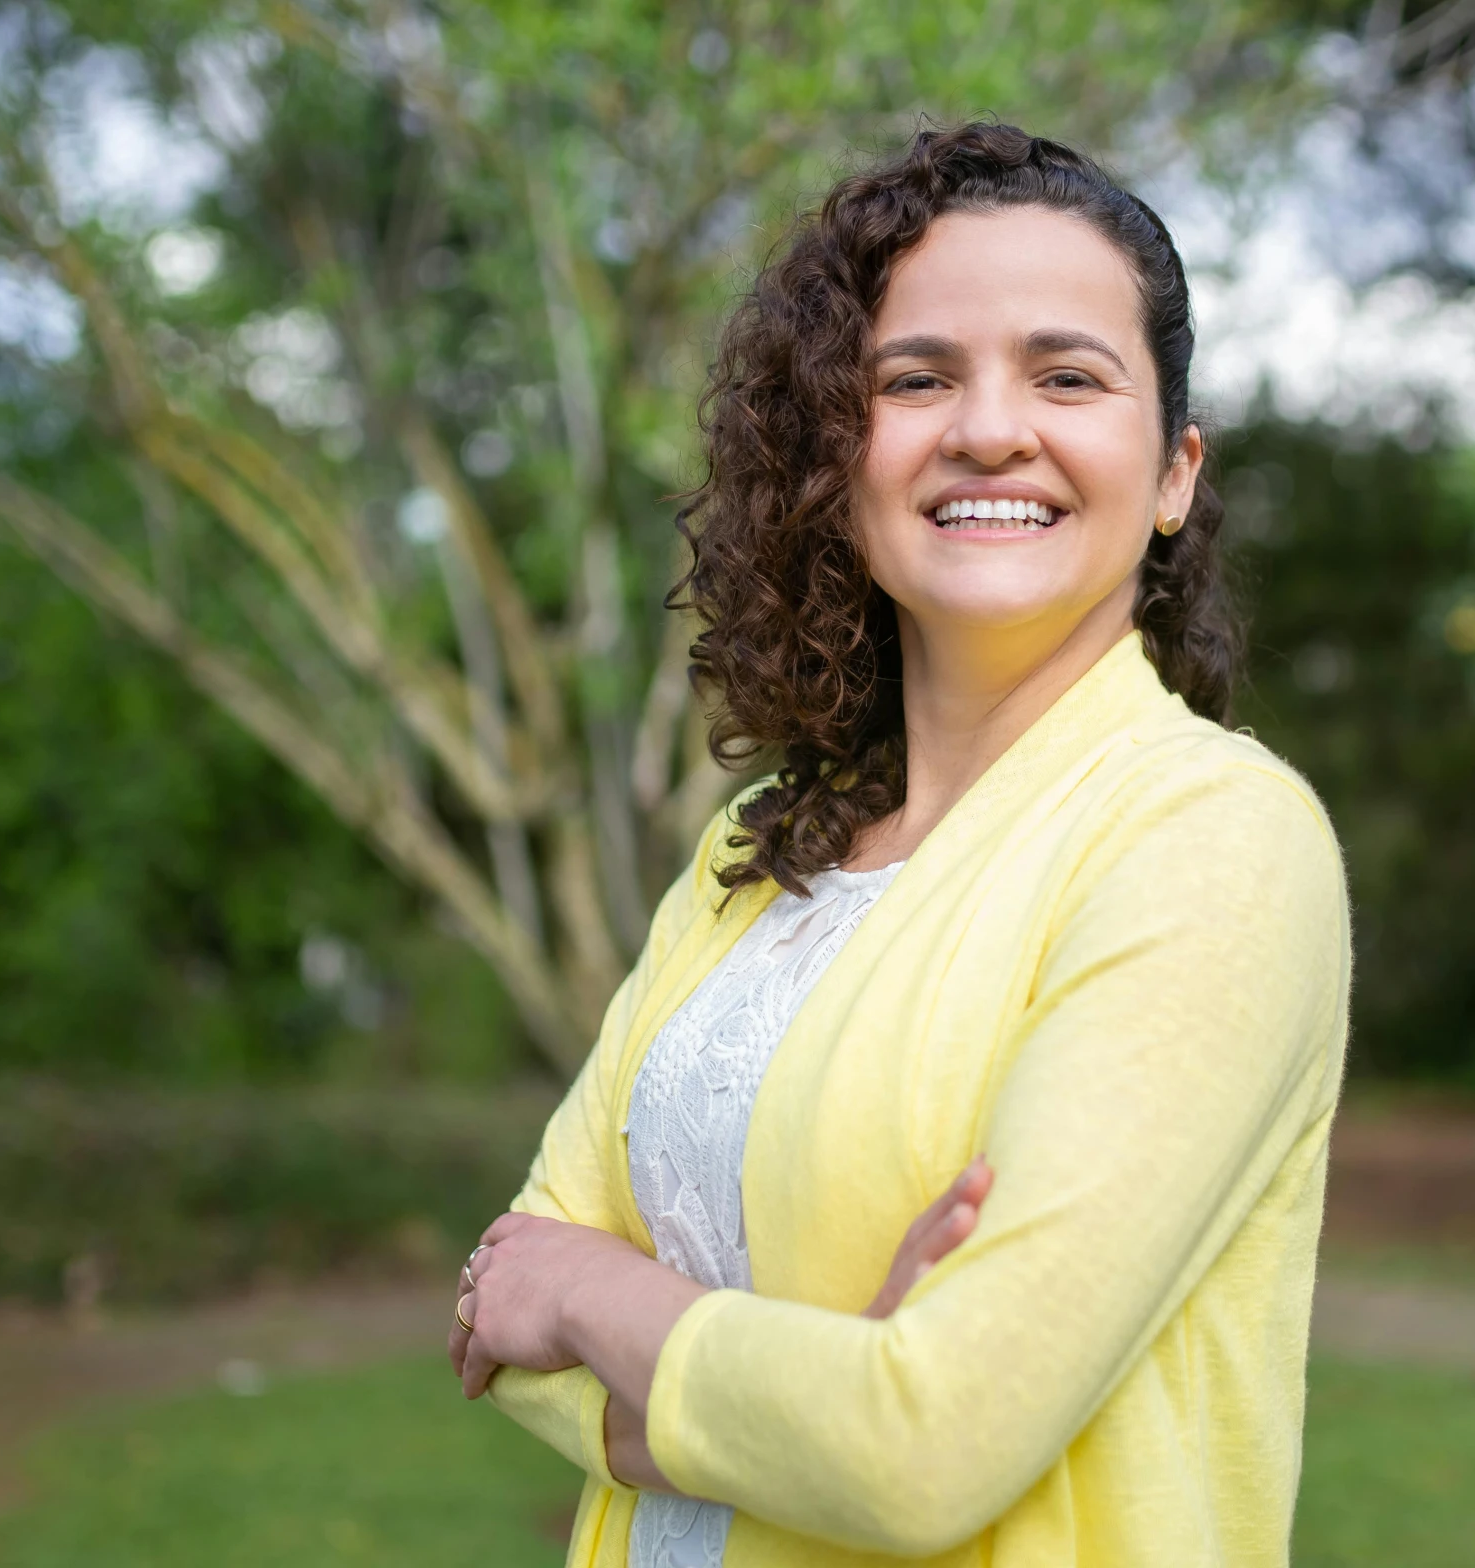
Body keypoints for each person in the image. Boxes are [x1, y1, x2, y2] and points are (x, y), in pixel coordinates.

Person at [447, 121, 1351, 1567]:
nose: (989, 428)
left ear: (1175, 472)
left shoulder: (1212, 839)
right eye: (916, 379)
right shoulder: (758, 846)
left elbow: (923, 1450)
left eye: (1067, 375)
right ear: (839, 456)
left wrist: (601, 1305)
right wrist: (812, 1381)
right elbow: (503, 1294)